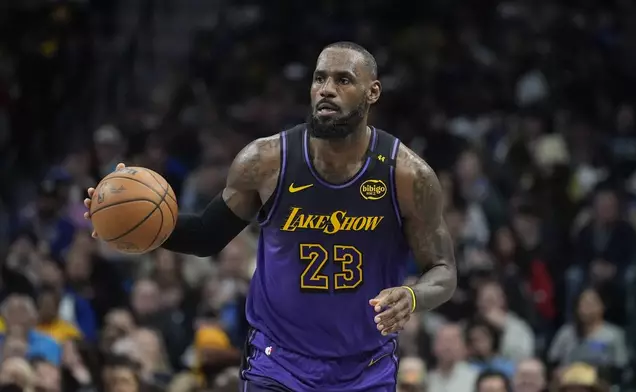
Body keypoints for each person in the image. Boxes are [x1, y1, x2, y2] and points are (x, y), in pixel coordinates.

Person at [84, 41, 457, 391]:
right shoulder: (265, 161)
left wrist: (413, 295)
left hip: (366, 367)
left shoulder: (407, 175)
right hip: (278, 364)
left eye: (343, 80)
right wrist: (130, 221)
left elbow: (443, 270)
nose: (327, 89)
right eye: (319, 78)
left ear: (372, 93)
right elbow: (204, 236)